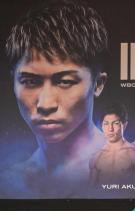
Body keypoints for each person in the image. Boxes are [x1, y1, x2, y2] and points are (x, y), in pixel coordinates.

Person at [1, 0, 108, 198]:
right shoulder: (9, 181)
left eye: (65, 82)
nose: (45, 104)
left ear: (98, 84)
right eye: (30, 81)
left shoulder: (126, 168)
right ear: (13, 81)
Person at [89, 103, 135, 197]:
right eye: (106, 124)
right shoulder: (96, 157)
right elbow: (90, 192)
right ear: (102, 126)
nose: (110, 129)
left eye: (115, 123)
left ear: (124, 125)